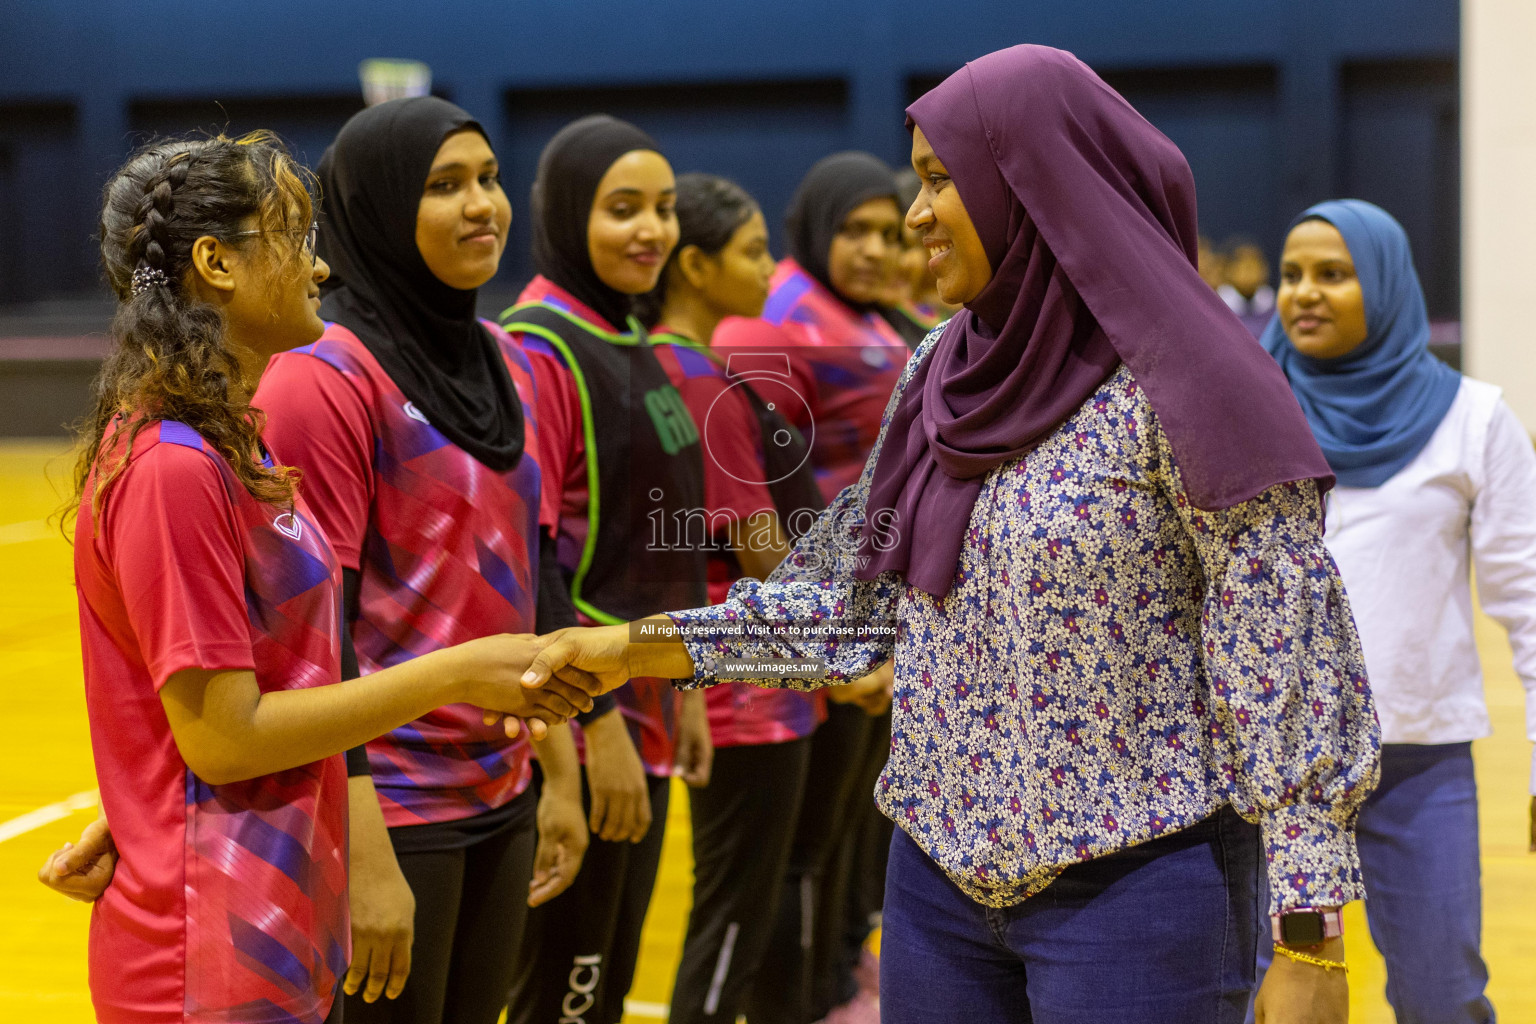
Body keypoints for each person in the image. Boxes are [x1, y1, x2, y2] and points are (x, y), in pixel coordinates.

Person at [517, 45, 1381, 1024]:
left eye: (941, 180)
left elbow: (1284, 662)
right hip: (935, 886)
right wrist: (632, 649)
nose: (917, 213)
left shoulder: (1189, 383)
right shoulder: (944, 368)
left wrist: (1312, 930)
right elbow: (842, 609)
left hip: (1140, 891)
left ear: (1035, 184)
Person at [56, 130, 589, 1024]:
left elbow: (239, 692)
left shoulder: (236, 442)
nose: (321, 264)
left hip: (280, 914)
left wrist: (145, 795)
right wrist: (455, 673)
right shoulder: (171, 467)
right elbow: (225, 739)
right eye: (294, 237)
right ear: (216, 264)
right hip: (205, 957)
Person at [1252, 199, 1536, 1024]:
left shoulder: (1474, 419)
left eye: (1333, 275)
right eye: (1293, 274)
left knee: (1444, 1000)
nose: (1305, 293)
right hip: (1279, 774)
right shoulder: (1246, 412)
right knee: (1276, 1004)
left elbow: (1527, 599)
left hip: (1420, 762)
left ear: (1386, 282)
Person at [641, 172, 890, 1024]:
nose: (768, 270)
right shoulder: (698, 380)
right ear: (698, 268)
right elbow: (756, 548)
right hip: (749, 684)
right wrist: (835, 659)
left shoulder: (699, 367)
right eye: (752, 253)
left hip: (769, 675)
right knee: (738, 912)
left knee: (777, 884)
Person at [498, 114, 714, 1024]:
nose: (652, 230)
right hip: (590, 720)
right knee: (567, 991)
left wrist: (688, 681)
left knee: (610, 976)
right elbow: (528, 559)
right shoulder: (539, 346)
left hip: (650, 703)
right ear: (568, 214)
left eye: (663, 209)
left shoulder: (631, 334)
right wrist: (594, 734)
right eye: (623, 209)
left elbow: (657, 541)